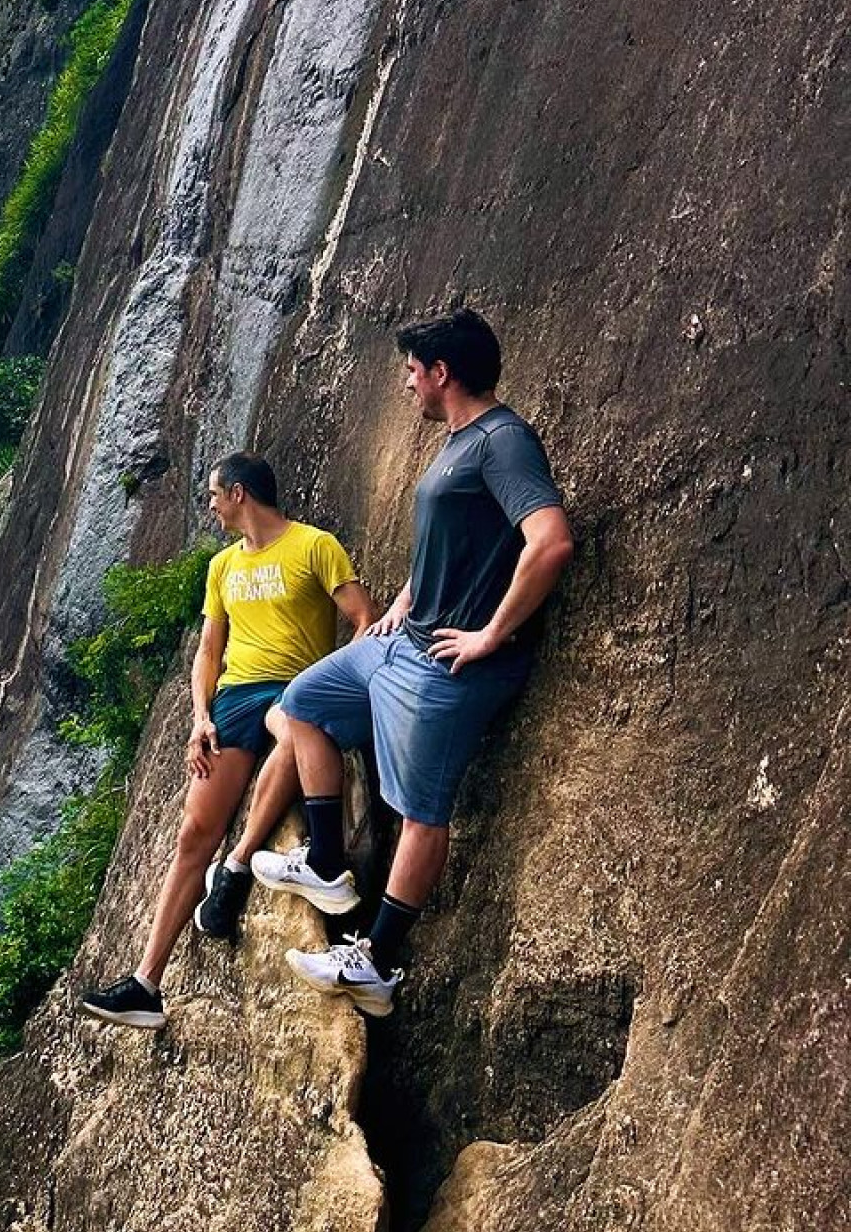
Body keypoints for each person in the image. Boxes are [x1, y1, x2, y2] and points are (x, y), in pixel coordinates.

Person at [255, 306, 573, 1017]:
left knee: (422, 812)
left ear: (442, 373)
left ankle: (376, 961)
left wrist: (490, 634)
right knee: (299, 704)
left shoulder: (503, 441)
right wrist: (402, 598)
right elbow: (458, 540)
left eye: (412, 371)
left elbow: (548, 541)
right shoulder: (458, 441)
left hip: (447, 670)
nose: (406, 384)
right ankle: (329, 865)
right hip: (402, 644)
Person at [79, 453, 375, 1029]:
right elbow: (209, 652)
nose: (210, 504)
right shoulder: (222, 567)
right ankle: (145, 984)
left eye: (215, 494)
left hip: (296, 688)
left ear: (238, 493)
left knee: (293, 731)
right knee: (194, 833)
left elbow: (365, 616)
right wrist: (198, 717)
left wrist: (339, 681)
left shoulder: (315, 546)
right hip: (233, 698)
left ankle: (240, 864)